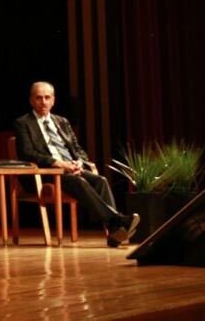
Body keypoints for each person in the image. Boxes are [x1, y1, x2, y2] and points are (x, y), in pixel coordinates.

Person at [14, 81, 140, 247]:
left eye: (47, 97)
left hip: (70, 170)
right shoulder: (23, 123)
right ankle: (118, 219)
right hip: (46, 173)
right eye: (39, 98)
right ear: (31, 100)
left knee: (100, 180)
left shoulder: (62, 122)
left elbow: (78, 149)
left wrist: (79, 162)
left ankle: (114, 232)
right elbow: (27, 152)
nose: (43, 102)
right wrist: (57, 163)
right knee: (78, 181)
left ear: (53, 100)